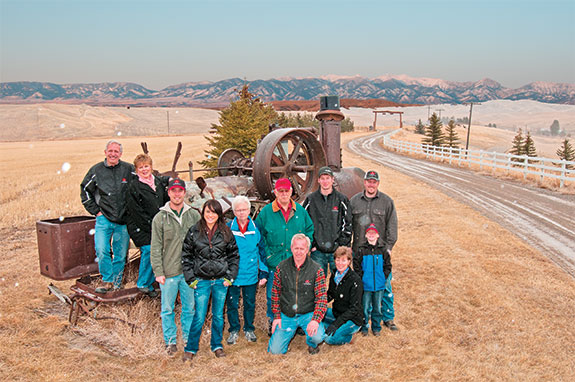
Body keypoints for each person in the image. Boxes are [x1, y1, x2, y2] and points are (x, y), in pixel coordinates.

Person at [182, 200, 239, 361]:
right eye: (208, 212)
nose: (210, 215)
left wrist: (230, 276)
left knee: (218, 315)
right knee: (199, 316)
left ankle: (217, 345)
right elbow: (186, 257)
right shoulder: (194, 231)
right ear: (203, 213)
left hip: (221, 281)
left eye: (214, 212)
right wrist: (191, 279)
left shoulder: (226, 232)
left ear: (219, 214)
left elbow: (234, 256)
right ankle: (191, 348)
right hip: (202, 281)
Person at [255, 178, 314, 335]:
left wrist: (305, 250)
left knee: (297, 292)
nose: (283, 194)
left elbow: (309, 230)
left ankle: (298, 321)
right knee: (272, 294)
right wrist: (268, 256)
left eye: (286, 191)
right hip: (275, 262)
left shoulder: (300, 212)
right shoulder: (266, 212)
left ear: (291, 192)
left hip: (296, 262)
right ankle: (272, 321)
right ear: (275, 192)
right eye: (280, 191)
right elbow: (259, 236)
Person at [150, 178, 200, 355]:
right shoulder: (160, 217)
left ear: (184, 193)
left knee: (189, 308)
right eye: (174, 191)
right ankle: (170, 341)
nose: (177, 194)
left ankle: (188, 338)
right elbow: (155, 246)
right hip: (169, 272)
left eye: (180, 191)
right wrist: (158, 271)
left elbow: (200, 244)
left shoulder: (193, 215)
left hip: (189, 272)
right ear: (169, 193)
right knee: (167, 309)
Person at [81, 140, 134, 293]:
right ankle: (107, 280)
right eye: (110, 151)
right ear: (105, 152)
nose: (113, 154)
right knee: (102, 249)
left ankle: (116, 284)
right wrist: (95, 211)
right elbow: (85, 189)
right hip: (104, 218)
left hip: (122, 220)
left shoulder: (128, 169)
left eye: (116, 151)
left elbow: (142, 183)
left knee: (120, 254)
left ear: (120, 154)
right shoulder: (96, 170)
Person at [350, 170, 398, 331]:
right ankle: (365, 317)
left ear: (378, 183)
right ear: (364, 182)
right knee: (364, 286)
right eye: (368, 181)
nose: (371, 184)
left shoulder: (386, 202)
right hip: (360, 253)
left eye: (374, 182)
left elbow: (392, 226)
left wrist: (389, 247)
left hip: (380, 254)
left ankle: (388, 317)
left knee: (384, 284)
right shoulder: (355, 201)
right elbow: (349, 226)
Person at [267, 234, 327, 355]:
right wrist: (277, 316)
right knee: (275, 351)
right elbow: (275, 294)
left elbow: (321, 298)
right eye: (296, 248)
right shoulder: (281, 267)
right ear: (291, 248)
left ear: (307, 250)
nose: (299, 252)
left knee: (318, 336)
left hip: (307, 314)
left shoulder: (316, 269)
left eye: (302, 248)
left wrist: (315, 320)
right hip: (287, 315)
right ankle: (286, 335)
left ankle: (312, 342)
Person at [225, 196, 268, 345]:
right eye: (238, 210)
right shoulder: (228, 228)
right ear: (234, 212)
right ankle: (234, 330)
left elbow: (261, 251)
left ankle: (249, 329)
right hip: (233, 275)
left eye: (244, 209)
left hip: (250, 274)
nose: (242, 212)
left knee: (250, 303)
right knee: (232, 304)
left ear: (249, 210)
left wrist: (263, 272)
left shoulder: (256, 228)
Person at [126, 154, 169, 297]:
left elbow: (165, 201)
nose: (144, 170)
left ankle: (151, 284)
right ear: (136, 170)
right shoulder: (134, 186)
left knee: (161, 251)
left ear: (151, 167)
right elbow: (136, 212)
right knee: (150, 250)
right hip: (141, 226)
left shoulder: (157, 182)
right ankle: (143, 282)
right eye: (141, 167)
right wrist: (153, 226)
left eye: (146, 166)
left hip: (157, 224)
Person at [302, 166, 352, 277]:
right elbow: (304, 223)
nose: (325, 181)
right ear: (318, 180)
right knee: (318, 282)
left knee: (340, 282)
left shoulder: (341, 199)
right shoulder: (311, 200)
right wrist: (312, 245)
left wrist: (342, 244)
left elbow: (347, 223)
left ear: (332, 180)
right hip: (318, 251)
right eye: (322, 178)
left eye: (328, 178)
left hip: (337, 250)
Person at [353, 224, 391, 336]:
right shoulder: (361, 250)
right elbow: (356, 265)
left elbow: (388, 266)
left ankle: (376, 327)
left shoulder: (383, 250)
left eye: (373, 233)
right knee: (365, 307)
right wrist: (361, 278)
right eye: (369, 233)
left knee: (377, 308)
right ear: (366, 235)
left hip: (379, 285)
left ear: (377, 235)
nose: (371, 235)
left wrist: (383, 277)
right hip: (366, 285)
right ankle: (364, 327)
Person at [323, 246, 363, 345]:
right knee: (316, 316)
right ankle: (331, 327)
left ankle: (349, 337)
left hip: (352, 319)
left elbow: (354, 308)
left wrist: (336, 324)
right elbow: (331, 294)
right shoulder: (334, 275)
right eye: (338, 260)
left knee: (329, 339)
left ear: (349, 261)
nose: (340, 263)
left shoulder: (355, 280)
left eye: (344, 260)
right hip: (337, 313)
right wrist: (320, 303)